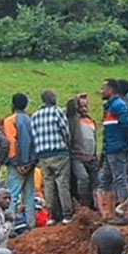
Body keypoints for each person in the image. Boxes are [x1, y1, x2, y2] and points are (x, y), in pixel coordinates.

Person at [33, 90, 74, 224]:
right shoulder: (57, 112)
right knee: (62, 183)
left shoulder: (35, 116)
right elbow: (65, 131)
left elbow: (34, 136)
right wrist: (67, 144)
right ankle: (67, 215)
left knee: (49, 184)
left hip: (43, 154)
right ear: (52, 99)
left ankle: (51, 216)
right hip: (58, 152)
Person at [99, 79, 128, 222]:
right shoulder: (110, 107)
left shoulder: (118, 106)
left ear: (111, 90)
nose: (101, 91)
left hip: (117, 149)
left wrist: (123, 144)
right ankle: (109, 213)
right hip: (110, 149)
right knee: (105, 180)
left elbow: (127, 126)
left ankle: (124, 212)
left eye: (104, 88)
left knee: (120, 178)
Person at [4, 93, 38, 231]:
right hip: (31, 163)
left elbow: (12, 142)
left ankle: (10, 226)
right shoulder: (32, 120)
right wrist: (31, 163)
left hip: (16, 164)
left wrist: (16, 162)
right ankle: (31, 223)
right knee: (29, 194)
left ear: (13, 104)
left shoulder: (10, 120)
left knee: (12, 195)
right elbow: (35, 142)